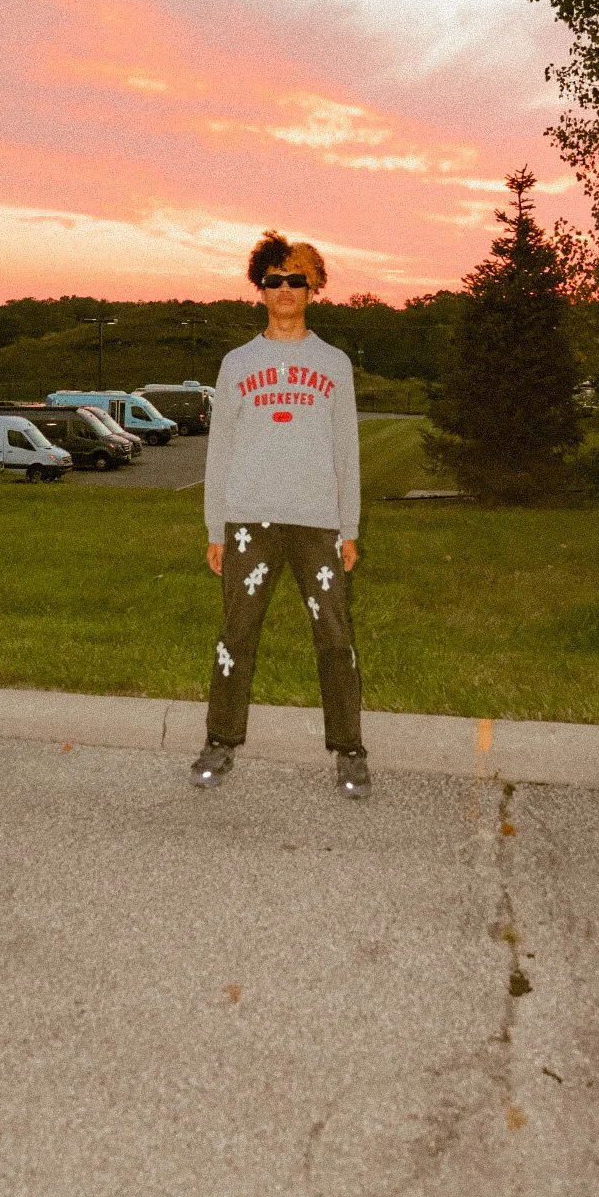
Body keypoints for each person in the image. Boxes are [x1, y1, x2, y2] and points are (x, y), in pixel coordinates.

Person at [191, 230, 372, 799]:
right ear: (261, 289)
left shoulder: (333, 364)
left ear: (313, 288)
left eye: (297, 279)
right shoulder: (238, 364)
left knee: (334, 637)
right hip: (249, 519)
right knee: (237, 634)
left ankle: (349, 750)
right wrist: (216, 527)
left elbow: (346, 450)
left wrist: (349, 527)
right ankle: (220, 740)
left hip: (318, 523)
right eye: (275, 281)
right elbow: (219, 450)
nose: (286, 289)